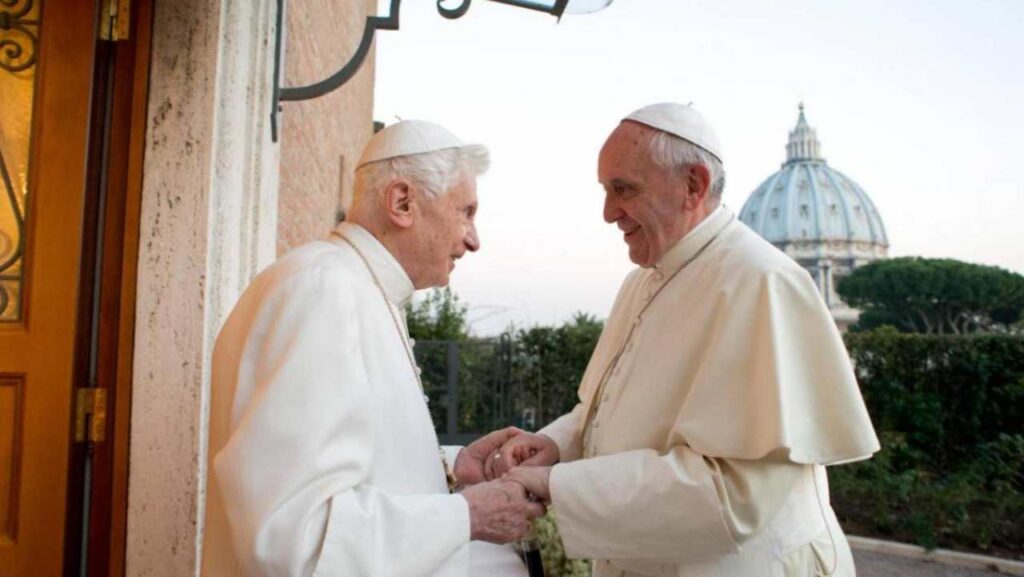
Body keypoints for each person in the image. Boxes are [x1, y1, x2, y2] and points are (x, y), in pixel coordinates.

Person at [489, 103, 880, 577]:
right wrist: (554, 445)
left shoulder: (760, 282)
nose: (608, 212)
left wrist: (558, 484)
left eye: (624, 189)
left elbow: (733, 494)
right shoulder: (645, 279)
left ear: (693, 185)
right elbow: (606, 410)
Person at [201, 120, 542, 577]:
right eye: (466, 211)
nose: (473, 240)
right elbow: (297, 537)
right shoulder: (324, 291)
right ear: (403, 202)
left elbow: (358, 470)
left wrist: (451, 473)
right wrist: (468, 515)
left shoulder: (357, 288)